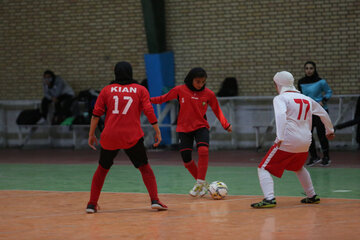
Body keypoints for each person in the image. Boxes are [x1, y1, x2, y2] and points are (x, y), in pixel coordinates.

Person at [86, 61, 168, 213]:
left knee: (102, 169)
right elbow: (149, 110)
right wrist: (157, 130)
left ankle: (91, 204)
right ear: (131, 73)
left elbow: (96, 115)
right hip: (132, 136)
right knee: (144, 168)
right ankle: (155, 200)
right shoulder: (140, 89)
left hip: (110, 136)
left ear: (115, 73)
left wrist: (91, 135)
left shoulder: (106, 90)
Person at [251, 71, 335, 208]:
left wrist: (280, 137)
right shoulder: (306, 98)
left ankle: (269, 198)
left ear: (278, 84)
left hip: (288, 140)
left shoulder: (280, 98)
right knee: (298, 167)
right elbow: (323, 113)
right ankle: (312, 196)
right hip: (305, 142)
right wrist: (330, 130)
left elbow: (280, 115)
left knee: (263, 168)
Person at [150, 67, 232, 197]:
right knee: (186, 159)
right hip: (184, 128)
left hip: (201, 127)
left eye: (203, 82)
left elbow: (217, 110)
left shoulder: (208, 94)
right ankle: (203, 185)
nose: (201, 84)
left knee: (203, 151)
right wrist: (146, 100)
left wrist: (225, 124)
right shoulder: (179, 90)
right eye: (198, 81)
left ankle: (199, 183)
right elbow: (162, 99)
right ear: (190, 79)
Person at [298, 61, 333, 166]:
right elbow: (301, 95)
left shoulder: (321, 81)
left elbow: (329, 92)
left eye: (311, 68)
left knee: (321, 134)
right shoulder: (301, 82)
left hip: (320, 111)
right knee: (307, 135)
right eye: (307, 68)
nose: (309, 70)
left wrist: (324, 100)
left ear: (315, 69)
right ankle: (314, 156)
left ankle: (326, 157)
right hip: (308, 111)